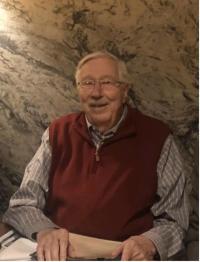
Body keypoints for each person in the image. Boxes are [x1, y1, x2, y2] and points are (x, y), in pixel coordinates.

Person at [3, 51, 189, 261]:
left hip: (122, 255)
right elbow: (23, 202)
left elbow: (175, 220)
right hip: (60, 254)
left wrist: (149, 242)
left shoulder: (158, 137)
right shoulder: (57, 132)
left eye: (107, 82)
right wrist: (45, 231)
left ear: (124, 90)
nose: (97, 93)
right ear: (78, 90)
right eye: (88, 83)